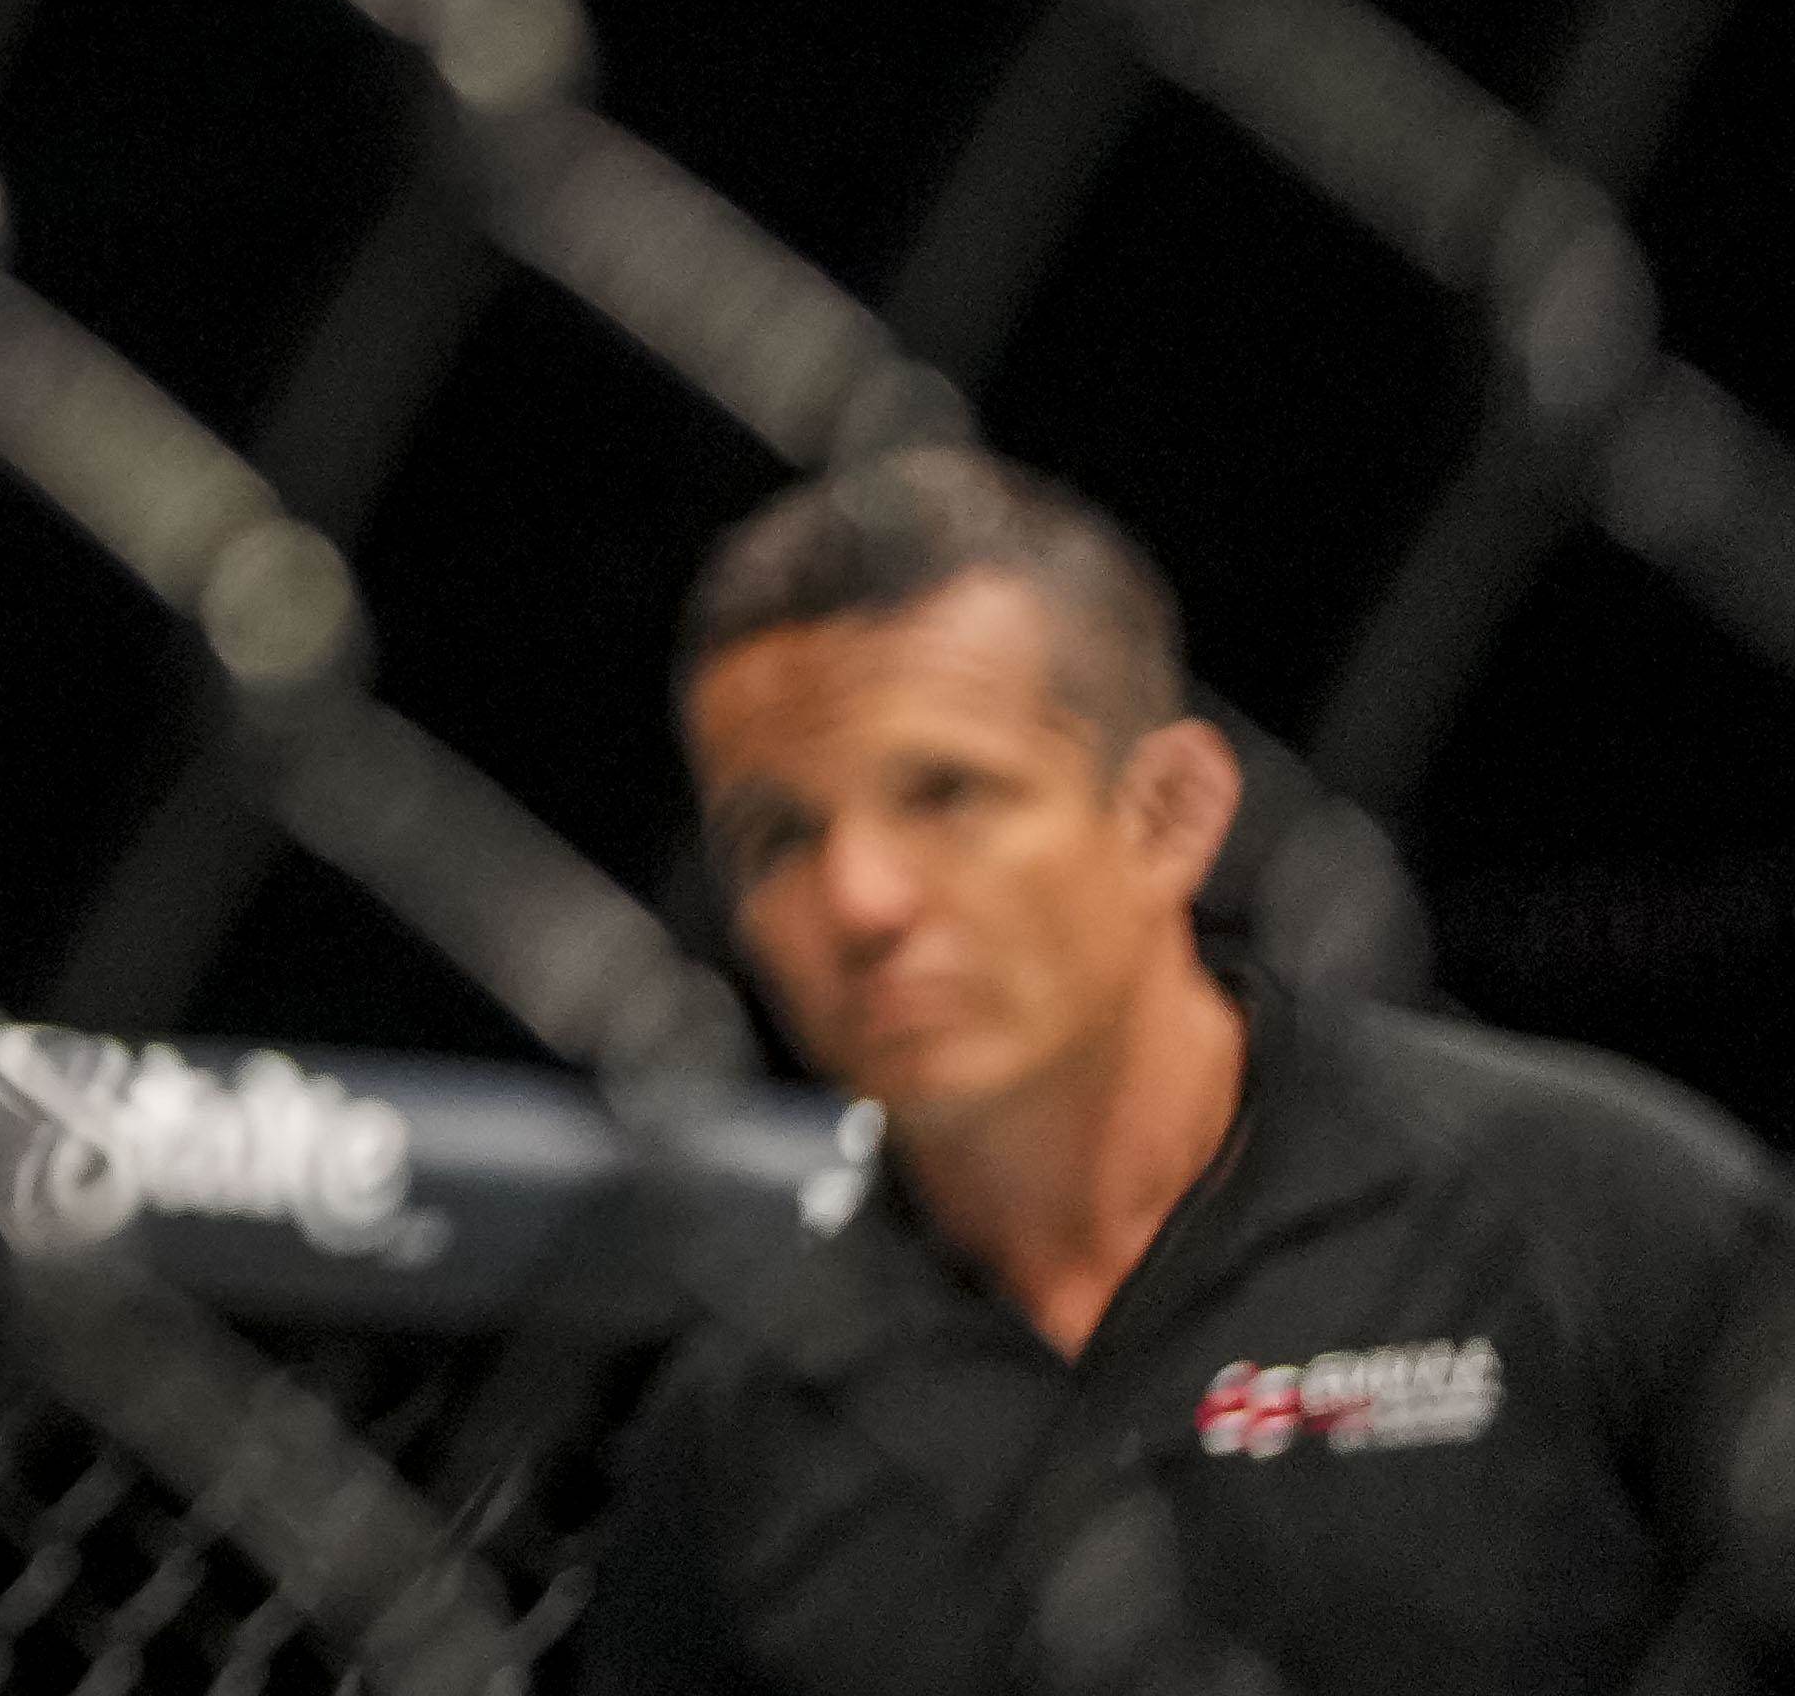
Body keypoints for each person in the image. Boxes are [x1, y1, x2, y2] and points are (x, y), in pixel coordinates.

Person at [593, 440, 1795, 1691]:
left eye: (945, 792)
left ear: (1166, 811)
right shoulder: (737, 1435)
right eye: (777, 834)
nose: (859, 898)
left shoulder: (1603, 1219)